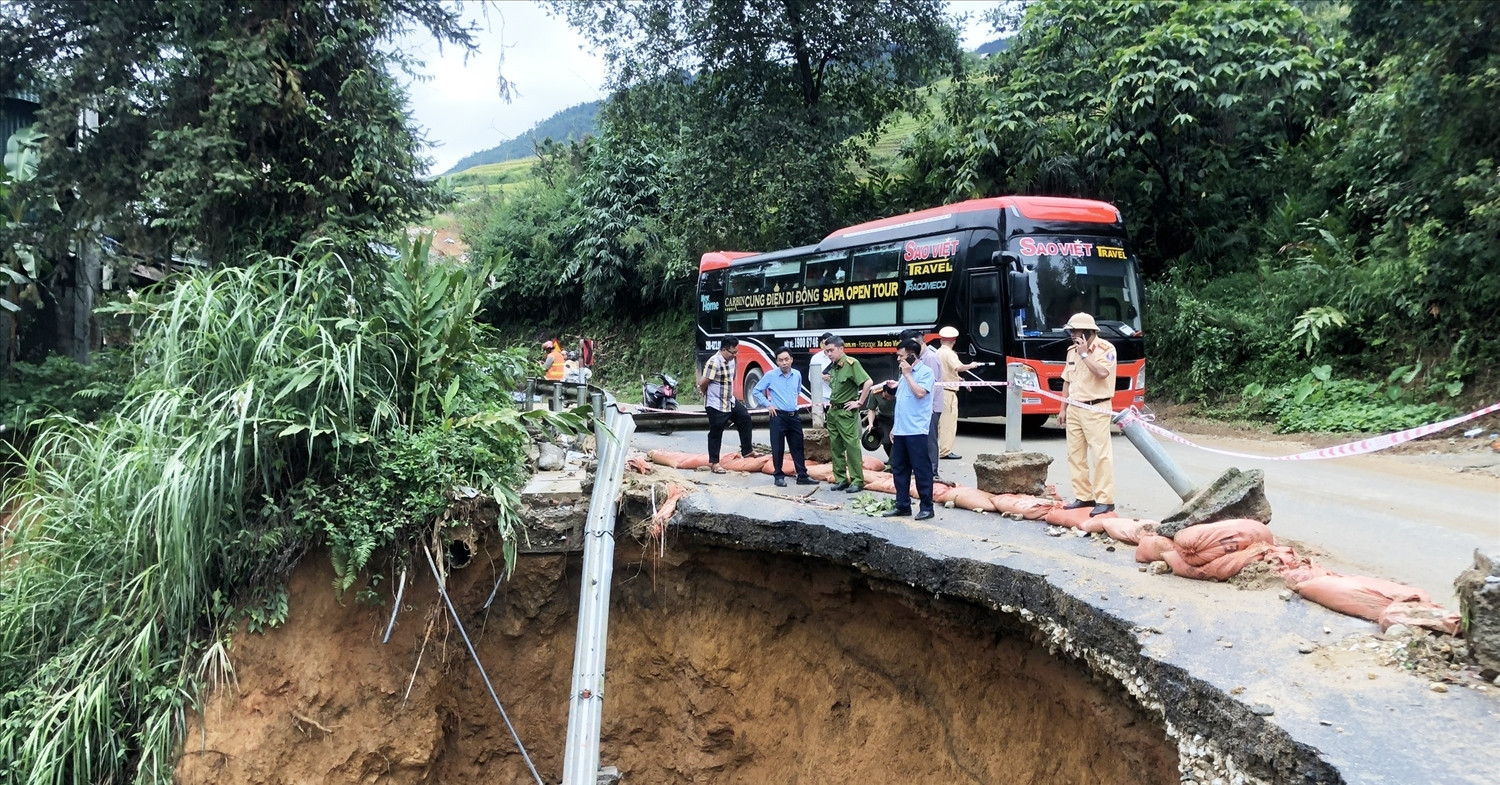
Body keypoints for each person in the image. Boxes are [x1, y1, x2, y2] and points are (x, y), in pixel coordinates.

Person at [1058, 312, 1117, 516]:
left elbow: (1102, 373)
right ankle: (1083, 497)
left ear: (1088, 332)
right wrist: (1063, 408)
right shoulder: (1071, 351)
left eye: (1075, 331)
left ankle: (1105, 500)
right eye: (1071, 331)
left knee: (1100, 455)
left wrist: (1085, 354)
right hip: (1074, 408)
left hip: (1096, 407)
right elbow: (1067, 379)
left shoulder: (1106, 349)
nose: (1072, 334)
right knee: (1075, 455)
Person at [881, 338, 936, 520]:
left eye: (901, 356)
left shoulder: (925, 373)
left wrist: (908, 376)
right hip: (902, 430)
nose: (898, 359)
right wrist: (895, 427)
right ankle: (902, 505)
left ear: (912, 356)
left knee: (921, 470)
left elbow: (920, 394)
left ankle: (927, 507)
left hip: (917, 430)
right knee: (899, 469)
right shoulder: (903, 374)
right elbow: (902, 403)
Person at [752, 347, 816, 487]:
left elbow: (797, 390)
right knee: (778, 447)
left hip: (793, 416)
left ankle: (802, 475)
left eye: (787, 359)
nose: (784, 363)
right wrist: (768, 405)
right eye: (781, 360)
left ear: (791, 360)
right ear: (777, 362)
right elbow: (756, 390)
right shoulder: (770, 375)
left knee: (797, 446)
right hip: (778, 416)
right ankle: (778, 476)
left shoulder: (797, 374)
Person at [697, 336, 757, 474]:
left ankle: (747, 450)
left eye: (736, 352)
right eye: (732, 352)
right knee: (716, 432)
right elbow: (703, 382)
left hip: (729, 400)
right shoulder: (714, 362)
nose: (735, 355)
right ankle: (714, 462)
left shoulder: (732, 360)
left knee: (745, 418)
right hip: (716, 403)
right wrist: (704, 393)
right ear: (724, 349)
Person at [821, 335, 872, 493]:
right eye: (826, 351)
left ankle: (857, 480)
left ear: (841, 349)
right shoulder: (835, 366)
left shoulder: (852, 364)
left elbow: (868, 382)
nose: (829, 354)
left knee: (851, 446)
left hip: (846, 412)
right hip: (833, 411)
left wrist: (860, 402)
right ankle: (841, 479)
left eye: (831, 350)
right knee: (836, 447)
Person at [900, 328, 944, 483]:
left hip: (930, 406)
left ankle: (932, 471)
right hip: (920, 406)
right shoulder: (915, 361)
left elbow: (932, 386)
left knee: (930, 438)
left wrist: (929, 407)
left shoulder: (930, 358)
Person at [935, 326, 984, 459]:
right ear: (954, 341)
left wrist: (960, 380)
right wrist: (971, 365)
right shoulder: (950, 354)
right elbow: (958, 367)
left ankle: (937, 449)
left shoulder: (937, 353)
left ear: (941, 340)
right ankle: (945, 451)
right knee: (948, 423)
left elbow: (947, 372)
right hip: (948, 393)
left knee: (939, 423)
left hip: (940, 391)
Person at [807, 332, 834, 428]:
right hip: (822, 395)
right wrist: (822, 377)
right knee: (821, 424)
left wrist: (832, 378)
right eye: (825, 343)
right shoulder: (816, 358)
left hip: (836, 395)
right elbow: (811, 377)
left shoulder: (837, 356)